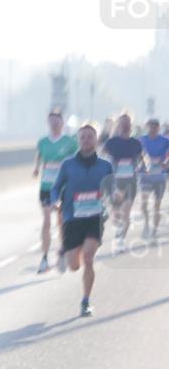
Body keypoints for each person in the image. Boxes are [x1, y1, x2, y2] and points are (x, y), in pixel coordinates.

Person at [51, 123, 114, 316]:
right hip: (72, 218)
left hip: (94, 217)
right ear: (78, 141)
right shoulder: (68, 165)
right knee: (74, 266)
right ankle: (64, 252)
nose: (87, 140)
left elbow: (112, 189)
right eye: (83, 137)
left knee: (88, 258)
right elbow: (55, 188)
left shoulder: (105, 165)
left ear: (96, 140)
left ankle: (85, 301)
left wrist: (115, 197)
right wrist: (55, 202)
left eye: (90, 136)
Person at [32, 110, 78, 273]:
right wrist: (37, 168)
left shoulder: (70, 142)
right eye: (51, 121)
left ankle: (63, 251)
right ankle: (44, 258)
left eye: (57, 121)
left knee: (62, 223)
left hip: (63, 188)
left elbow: (76, 159)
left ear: (62, 123)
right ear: (48, 122)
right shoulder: (43, 142)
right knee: (46, 221)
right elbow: (39, 155)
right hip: (46, 187)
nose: (54, 124)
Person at [101, 112, 145, 253]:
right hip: (114, 182)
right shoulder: (111, 142)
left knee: (126, 211)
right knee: (117, 214)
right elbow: (102, 158)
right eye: (122, 122)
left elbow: (140, 160)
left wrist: (143, 167)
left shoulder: (136, 143)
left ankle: (120, 239)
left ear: (131, 125)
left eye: (127, 122)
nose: (125, 125)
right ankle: (118, 229)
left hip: (130, 181)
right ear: (118, 125)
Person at [139, 118, 169, 241]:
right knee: (144, 204)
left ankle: (154, 231)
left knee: (157, 205)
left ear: (158, 127)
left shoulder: (165, 140)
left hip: (160, 177)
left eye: (155, 126)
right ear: (147, 127)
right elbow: (137, 154)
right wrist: (142, 161)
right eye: (150, 126)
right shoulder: (141, 140)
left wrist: (166, 163)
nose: (153, 129)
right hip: (145, 176)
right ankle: (146, 222)